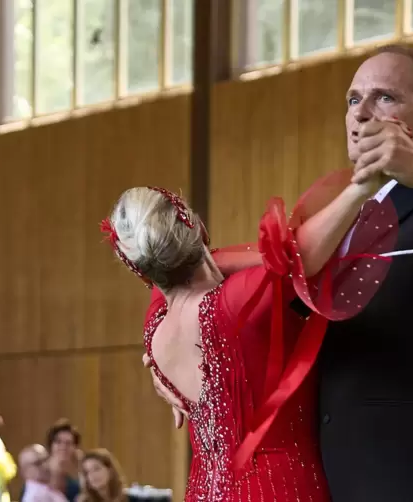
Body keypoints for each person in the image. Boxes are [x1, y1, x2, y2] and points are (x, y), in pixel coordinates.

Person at [147, 44, 413, 502]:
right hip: (327, 480)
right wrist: (162, 348)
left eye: (385, 98)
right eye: (353, 99)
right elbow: (210, 275)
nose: (361, 113)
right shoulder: (321, 221)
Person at [105, 165, 393, 500]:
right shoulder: (237, 302)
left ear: (139, 267)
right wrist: (361, 186)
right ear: (193, 225)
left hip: (202, 490)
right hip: (276, 486)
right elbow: (299, 256)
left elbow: (187, 274)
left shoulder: (154, 327)